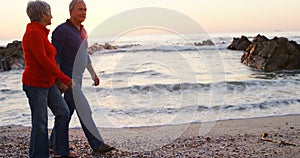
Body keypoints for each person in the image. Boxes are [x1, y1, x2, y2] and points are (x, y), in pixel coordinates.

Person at [50, 0, 115, 154]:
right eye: (80, 9)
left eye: (85, 10)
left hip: (78, 79)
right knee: (85, 110)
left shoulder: (84, 32)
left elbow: (84, 55)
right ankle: (97, 144)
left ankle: (53, 142)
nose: (83, 12)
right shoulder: (61, 31)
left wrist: (93, 74)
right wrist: (59, 80)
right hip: (68, 80)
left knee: (66, 112)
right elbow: (55, 56)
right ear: (71, 11)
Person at [22, 1, 77, 157]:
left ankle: (60, 151)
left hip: (48, 83)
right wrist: (64, 78)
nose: (52, 15)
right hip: (35, 84)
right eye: (50, 12)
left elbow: (50, 61)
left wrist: (57, 81)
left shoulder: (41, 33)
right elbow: (43, 61)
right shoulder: (33, 33)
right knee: (40, 124)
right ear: (43, 14)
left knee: (63, 112)